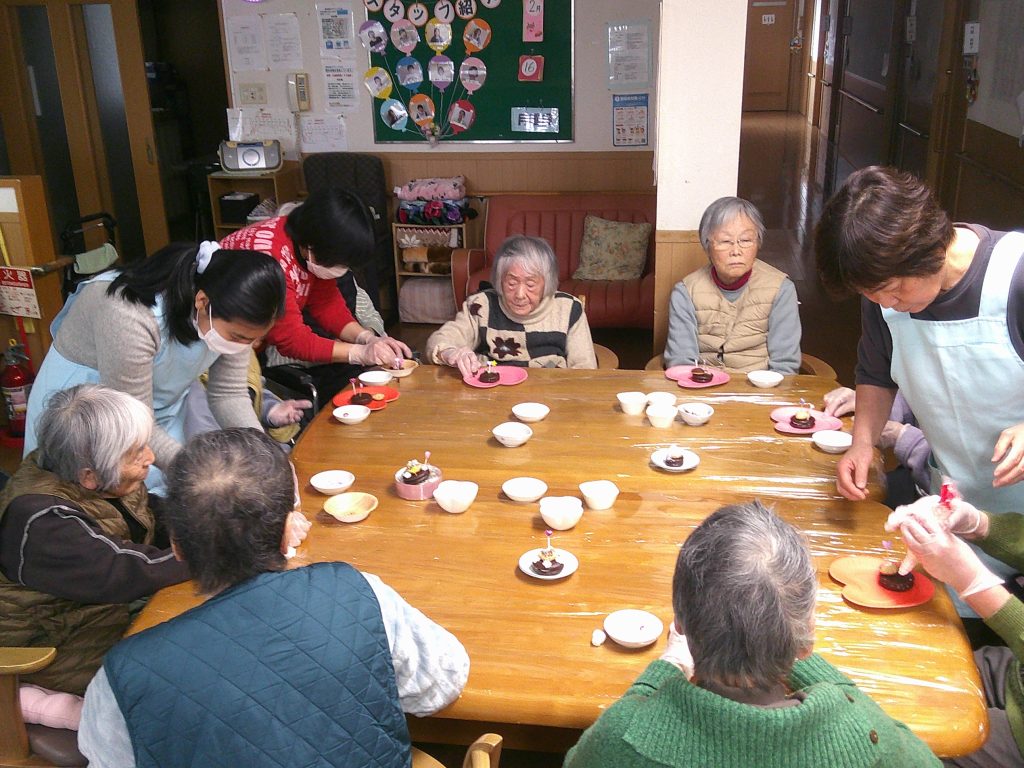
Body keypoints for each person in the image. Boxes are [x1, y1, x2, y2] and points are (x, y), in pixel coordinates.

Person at [78, 428, 469, 767]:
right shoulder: (358, 592)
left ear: (177, 545)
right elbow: (443, 683)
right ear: (286, 533)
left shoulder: (123, 676)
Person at [564, 500, 939, 767]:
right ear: (807, 634)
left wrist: (667, 667)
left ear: (680, 625)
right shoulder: (865, 733)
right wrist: (789, 641)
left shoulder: (623, 737)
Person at [815, 166, 1024, 512]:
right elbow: (876, 376)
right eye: (871, 294)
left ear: (927, 248)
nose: (886, 304)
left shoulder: (1014, 275)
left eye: (895, 289)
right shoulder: (882, 299)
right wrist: (863, 443)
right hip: (953, 503)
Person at [23, 241, 285, 493]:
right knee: (95, 498)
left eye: (254, 339)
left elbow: (229, 395)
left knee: (164, 493)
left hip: (154, 412)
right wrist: (201, 473)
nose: (246, 346)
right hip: (87, 411)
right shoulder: (130, 315)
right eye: (238, 337)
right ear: (202, 302)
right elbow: (133, 422)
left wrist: (266, 457)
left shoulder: (232, 313)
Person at [0, 385, 189, 729]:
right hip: (51, 644)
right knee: (182, 680)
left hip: (96, 612)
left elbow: (154, 515)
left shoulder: (99, 474)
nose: (150, 456)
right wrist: (222, 549)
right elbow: (125, 570)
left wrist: (215, 516)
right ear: (89, 476)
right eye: (136, 453)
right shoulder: (44, 520)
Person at [218, 189, 410, 402]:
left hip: (244, 345)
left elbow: (327, 305)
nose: (343, 270)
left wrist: (368, 338)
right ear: (313, 246)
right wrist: (359, 353)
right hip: (221, 345)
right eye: (340, 263)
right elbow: (293, 340)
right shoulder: (271, 262)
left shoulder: (307, 242)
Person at [886, 496, 1023, 767]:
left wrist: (972, 581)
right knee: (914, 678)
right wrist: (979, 523)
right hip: (1015, 672)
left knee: (904, 743)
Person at [663, 196, 801, 373]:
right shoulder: (685, 292)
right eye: (725, 241)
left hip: (761, 386)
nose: (736, 251)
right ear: (707, 246)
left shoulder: (781, 289)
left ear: (758, 243)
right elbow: (681, 362)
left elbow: (785, 366)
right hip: (702, 385)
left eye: (746, 240)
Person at [426, 235, 597, 374]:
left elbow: (585, 370)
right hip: (492, 392)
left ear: (547, 283)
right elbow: (439, 341)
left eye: (530, 284)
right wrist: (450, 353)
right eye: (512, 283)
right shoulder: (480, 306)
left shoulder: (568, 309)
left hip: (549, 394)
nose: (520, 295)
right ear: (499, 280)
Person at [823, 387, 931, 506]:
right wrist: (871, 403)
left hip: (935, 492)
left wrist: (901, 435)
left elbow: (946, 463)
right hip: (912, 478)